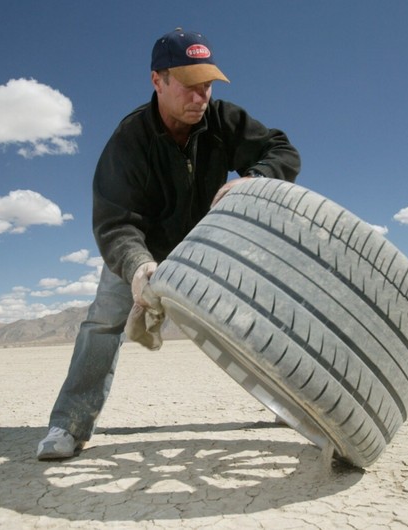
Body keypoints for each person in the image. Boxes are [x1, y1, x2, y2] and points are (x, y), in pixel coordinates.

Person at [37, 28, 300, 460]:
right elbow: (114, 222)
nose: (201, 96)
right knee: (103, 321)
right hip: (141, 248)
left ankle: (290, 404)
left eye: (208, 84)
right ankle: (68, 425)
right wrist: (138, 267)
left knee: (260, 312)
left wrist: (254, 179)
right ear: (157, 80)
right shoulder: (130, 140)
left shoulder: (223, 120)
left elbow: (281, 149)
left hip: (208, 244)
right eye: (189, 84)